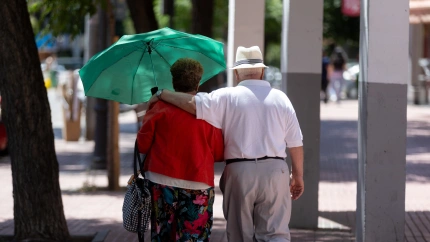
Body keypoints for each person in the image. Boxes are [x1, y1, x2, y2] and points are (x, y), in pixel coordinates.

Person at [149, 46, 304, 242]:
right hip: (276, 171)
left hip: (239, 172)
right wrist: (297, 175)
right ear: (262, 72)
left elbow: (191, 103)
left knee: (240, 234)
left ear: (237, 73)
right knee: (275, 234)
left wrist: (162, 94)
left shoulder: (225, 96)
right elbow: (295, 141)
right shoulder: (281, 98)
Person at [137, 58, 224, 242]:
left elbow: (142, 145)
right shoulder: (208, 111)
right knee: (195, 237)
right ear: (198, 82)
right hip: (198, 181)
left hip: (161, 180)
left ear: (173, 82)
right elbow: (218, 152)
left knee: (162, 236)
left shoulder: (158, 107)